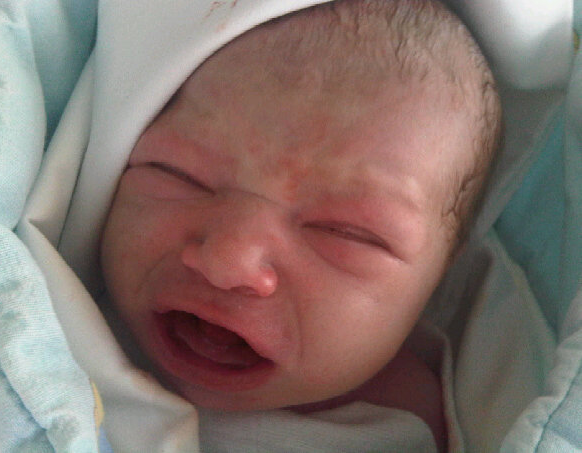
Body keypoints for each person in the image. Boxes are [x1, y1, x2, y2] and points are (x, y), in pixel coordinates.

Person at [99, 0, 501, 450]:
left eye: (343, 232)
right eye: (179, 176)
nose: (229, 260)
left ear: (441, 274)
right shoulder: (57, 313)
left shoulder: (422, 424)